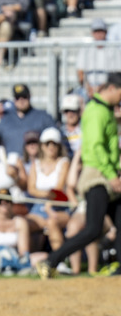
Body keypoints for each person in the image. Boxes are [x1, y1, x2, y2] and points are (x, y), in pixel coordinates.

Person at [37, 73, 121, 279]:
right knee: (92, 228)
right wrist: (112, 175)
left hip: (108, 174)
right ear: (111, 89)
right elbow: (95, 146)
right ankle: (51, 261)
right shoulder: (96, 111)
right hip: (97, 176)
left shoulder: (105, 111)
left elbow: (112, 149)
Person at [0, 84, 57, 157]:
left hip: (36, 163)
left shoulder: (43, 117)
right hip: (12, 164)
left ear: (29, 97)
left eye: (24, 97)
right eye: (18, 97)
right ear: (14, 99)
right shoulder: (5, 120)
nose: (21, 101)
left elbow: (55, 141)